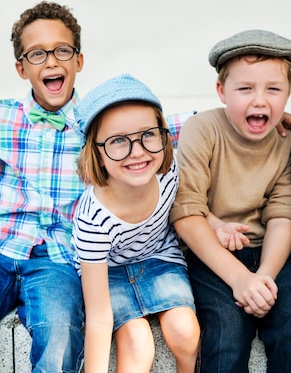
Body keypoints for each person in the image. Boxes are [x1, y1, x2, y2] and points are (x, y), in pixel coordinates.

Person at [0, 1, 291, 372]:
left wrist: (260, 111)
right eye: (37, 54)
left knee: (61, 330)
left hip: (63, 255)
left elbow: (181, 124)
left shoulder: (100, 122)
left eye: (62, 50)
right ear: (22, 68)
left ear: (78, 60)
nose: (51, 60)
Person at [170, 29, 291, 373]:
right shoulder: (202, 129)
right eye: (245, 88)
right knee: (225, 330)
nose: (260, 100)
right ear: (222, 91)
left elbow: (283, 214)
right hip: (210, 253)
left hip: (272, 252)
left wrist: (263, 277)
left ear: (288, 94)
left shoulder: (287, 139)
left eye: (273, 89)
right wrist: (239, 279)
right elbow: (186, 210)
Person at [72, 74, 200, 372]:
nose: (138, 151)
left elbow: (207, 121)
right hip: (109, 273)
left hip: (160, 259)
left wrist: (273, 119)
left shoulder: (169, 174)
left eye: (147, 135)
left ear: (164, 135)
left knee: (186, 332)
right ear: (97, 153)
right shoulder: (93, 218)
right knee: (137, 343)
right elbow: (99, 316)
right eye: (118, 141)